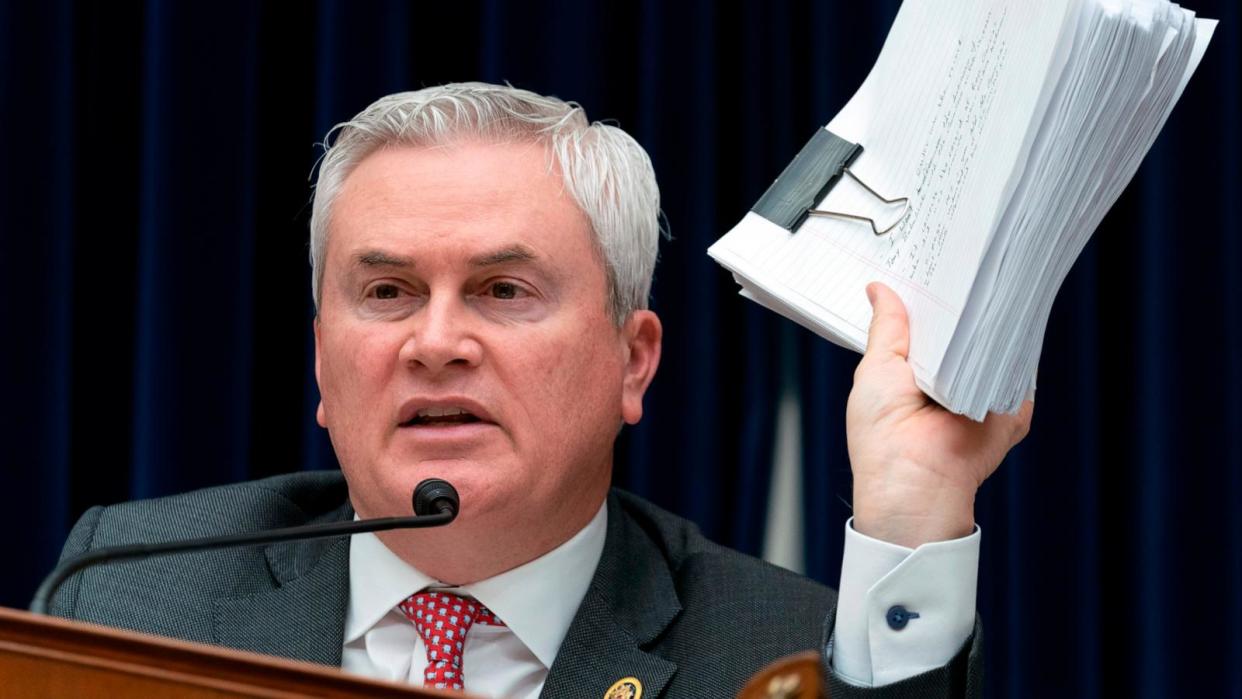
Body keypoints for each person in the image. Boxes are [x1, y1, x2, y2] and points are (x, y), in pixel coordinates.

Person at [49, 83, 1032, 697]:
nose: (436, 343)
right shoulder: (131, 594)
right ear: (320, 363)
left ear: (633, 360)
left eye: (502, 291)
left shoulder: (783, 654)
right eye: (386, 292)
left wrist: (910, 517)